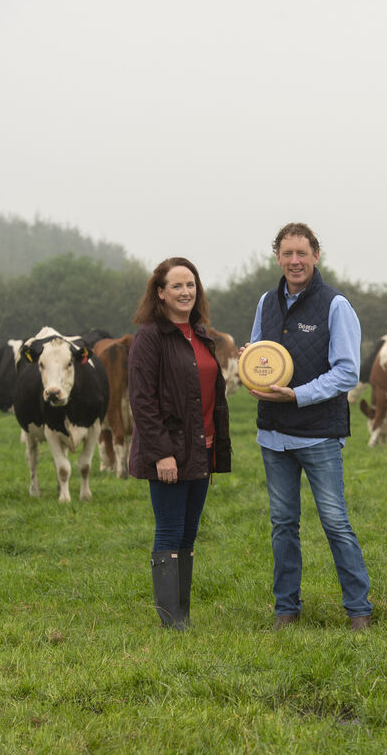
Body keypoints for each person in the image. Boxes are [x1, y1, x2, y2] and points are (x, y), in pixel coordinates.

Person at [247, 222, 372, 631]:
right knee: (283, 525)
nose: (295, 261)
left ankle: (359, 610)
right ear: (278, 257)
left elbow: (347, 373)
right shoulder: (266, 302)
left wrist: (297, 395)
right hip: (274, 435)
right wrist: (252, 376)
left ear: (316, 255)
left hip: (319, 433)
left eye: (302, 253)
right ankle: (286, 609)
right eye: (287, 254)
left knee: (335, 522)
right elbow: (258, 358)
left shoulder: (336, 305)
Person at [128, 256, 232, 630]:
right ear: (160, 293)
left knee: (189, 532)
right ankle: (171, 621)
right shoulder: (150, 339)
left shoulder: (202, 335)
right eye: (177, 285)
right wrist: (161, 453)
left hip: (201, 449)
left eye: (191, 285)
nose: (186, 291)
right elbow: (142, 401)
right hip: (169, 453)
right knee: (170, 531)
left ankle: (181, 616)